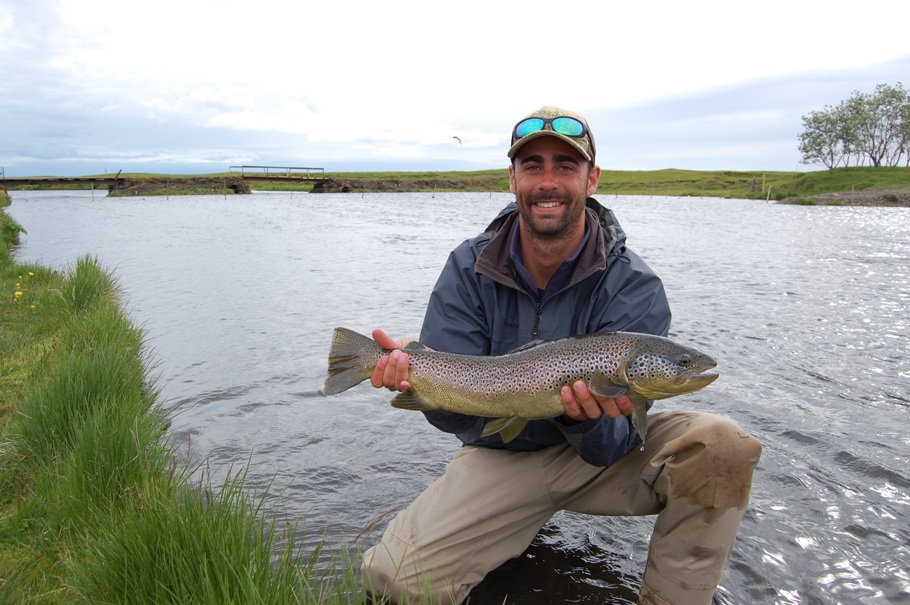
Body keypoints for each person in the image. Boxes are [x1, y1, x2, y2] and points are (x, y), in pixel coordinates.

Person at [360, 106, 762, 605]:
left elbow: (613, 446)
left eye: (565, 167)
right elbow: (457, 420)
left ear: (591, 178)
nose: (548, 181)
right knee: (392, 579)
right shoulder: (468, 265)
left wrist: (585, 419)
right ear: (513, 179)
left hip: (599, 459)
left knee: (722, 446)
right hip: (500, 455)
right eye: (533, 167)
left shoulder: (634, 285)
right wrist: (415, 378)